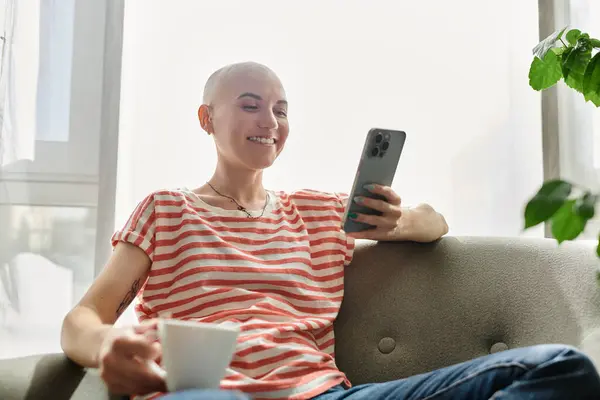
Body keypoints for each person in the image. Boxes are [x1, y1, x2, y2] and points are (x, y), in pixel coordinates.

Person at [60, 62, 600, 400]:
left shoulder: (319, 213)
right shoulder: (166, 211)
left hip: (327, 396)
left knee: (560, 367)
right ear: (206, 118)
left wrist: (405, 221)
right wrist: (108, 342)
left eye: (281, 109)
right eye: (250, 105)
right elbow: (83, 318)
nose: (269, 121)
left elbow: (434, 220)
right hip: (206, 394)